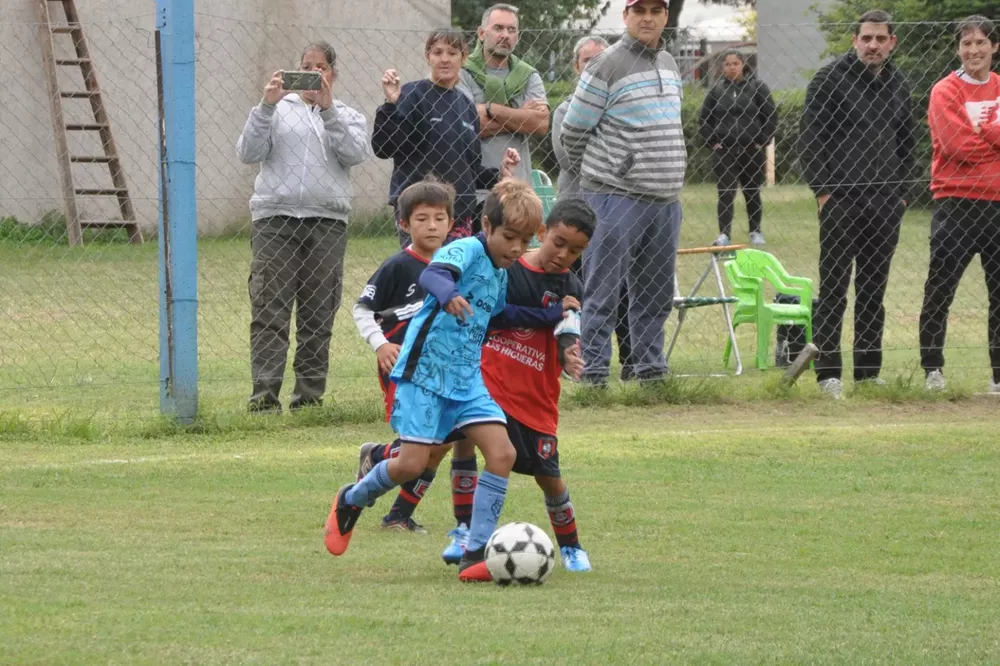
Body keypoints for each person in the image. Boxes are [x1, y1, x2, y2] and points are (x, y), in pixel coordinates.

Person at [325, 180, 563, 583]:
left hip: (467, 380)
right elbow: (436, 275)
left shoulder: (501, 272)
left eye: (524, 241)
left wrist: (551, 316)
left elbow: (500, 317)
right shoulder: (465, 248)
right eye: (509, 237)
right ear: (486, 225)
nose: (517, 249)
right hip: (424, 376)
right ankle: (351, 499)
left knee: (501, 453)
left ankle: (475, 554)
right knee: (411, 465)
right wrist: (450, 293)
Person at [236, 41, 369, 413]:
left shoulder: (347, 115)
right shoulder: (274, 110)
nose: (313, 73)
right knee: (269, 310)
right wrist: (266, 105)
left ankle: (309, 399)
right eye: (306, 66)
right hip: (275, 220)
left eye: (321, 67)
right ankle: (264, 400)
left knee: (318, 312)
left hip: (327, 222)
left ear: (333, 74)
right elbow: (248, 152)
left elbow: (355, 154)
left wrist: (327, 112)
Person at [560, 0, 686, 387]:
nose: (647, 17)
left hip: (665, 201)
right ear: (626, 16)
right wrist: (606, 174)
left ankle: (650, 372)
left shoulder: (669, 62)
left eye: (656, 9)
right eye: (639, 10)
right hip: (614, 199)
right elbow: (573, 132)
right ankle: (594, 373)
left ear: (666, 16)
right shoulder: (606, 65)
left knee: (655, 294)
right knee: (602, 291)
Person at [798, 9, 915, 399]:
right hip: (841, 201)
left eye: (881, 38)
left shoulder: (898, 83)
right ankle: (828, 372)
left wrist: (901, 195)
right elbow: (811, 140)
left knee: (873, 289)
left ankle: (867, 372)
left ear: (892, 42)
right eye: (866, 38)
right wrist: (824, 193)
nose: (873, 45)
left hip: (885, 202)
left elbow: (906, 143)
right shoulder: (829, 81)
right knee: (834, 289)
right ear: (854, 40)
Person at [476, 198, 595, 572]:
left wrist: (567, 355)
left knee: (550, 478)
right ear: (542, 232)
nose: (564, 254)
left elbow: (566, 332)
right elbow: (494, 318)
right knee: (456, 442)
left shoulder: (571, 285)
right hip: (492, 384)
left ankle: (572, 547)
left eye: (575, 250)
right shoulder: (508, 270)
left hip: (537, 397)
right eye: (558, 243)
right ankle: (466, 533)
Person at [352, 178, 457, 533]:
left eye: (440, 218)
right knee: (425, 441)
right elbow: (362, 309)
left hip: (443, 369)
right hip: (403, 369)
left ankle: (397, 512)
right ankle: (380, 458)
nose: (432, 226)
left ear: (451, 222)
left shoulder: (457, 263)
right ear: (403, 224)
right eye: (422, 219)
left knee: (444, 440)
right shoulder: (397, 266)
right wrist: (381, 344)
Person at [372, 28, 518, 247]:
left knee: (454, 277)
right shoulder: (412, 94)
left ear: (463, 58)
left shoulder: (466, 106)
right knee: (421, 276)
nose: (444, 59)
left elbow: (469, 168)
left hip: (458, 216)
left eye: (452, 53)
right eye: (437, 53)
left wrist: (499, 175)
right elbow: (384, 148)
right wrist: (391, 105)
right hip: (420, 210)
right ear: (427, 57)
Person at [919, 16, 1000, 394]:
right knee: (940, 290)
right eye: (966, 44)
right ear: (958, 49)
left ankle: (998, 376)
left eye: (981, 43)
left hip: (997, 207)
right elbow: (956, 146)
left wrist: (984, 131)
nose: (974, 50)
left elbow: (974, 142)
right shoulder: (945, 91)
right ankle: (932, 369)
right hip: (956, 204)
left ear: (994, 47)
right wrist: (992, 140)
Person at [550, 36, 636, 380]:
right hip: (577, 215)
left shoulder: (626, 108)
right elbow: (569, 158)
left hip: (617, 213)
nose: (594, 67)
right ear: (576, 67)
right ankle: (578, 365)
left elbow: (635, 158)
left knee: (625, 289)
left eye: (602, 61)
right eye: (588, 61)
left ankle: (633, 364)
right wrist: (614, 157)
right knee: (576, 290)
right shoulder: (564, 110)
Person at [459, 3, 549, 212]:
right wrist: (522, 119)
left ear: (517, 36)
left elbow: (541, 124)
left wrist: (491, 108)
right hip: (474, 190)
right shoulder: (462, 73)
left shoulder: (529, 75)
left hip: (519, 189)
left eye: (511, 30)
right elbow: (466, 126)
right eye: (498, 28)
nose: (505, 35)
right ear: (481, 33)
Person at [699, 50, 777, 247]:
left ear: (743, 65)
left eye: (735, 63)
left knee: (752, 192)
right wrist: (713, 142)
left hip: (751, 150)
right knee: (725, 194)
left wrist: (762, 141)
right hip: (724, 152)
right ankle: (724, 235)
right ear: (722, 67)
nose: (731, 67)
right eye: (727, 64)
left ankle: (755, 231)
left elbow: (771, 116)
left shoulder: (757, 88)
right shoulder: (716, 91)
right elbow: (704, 120)